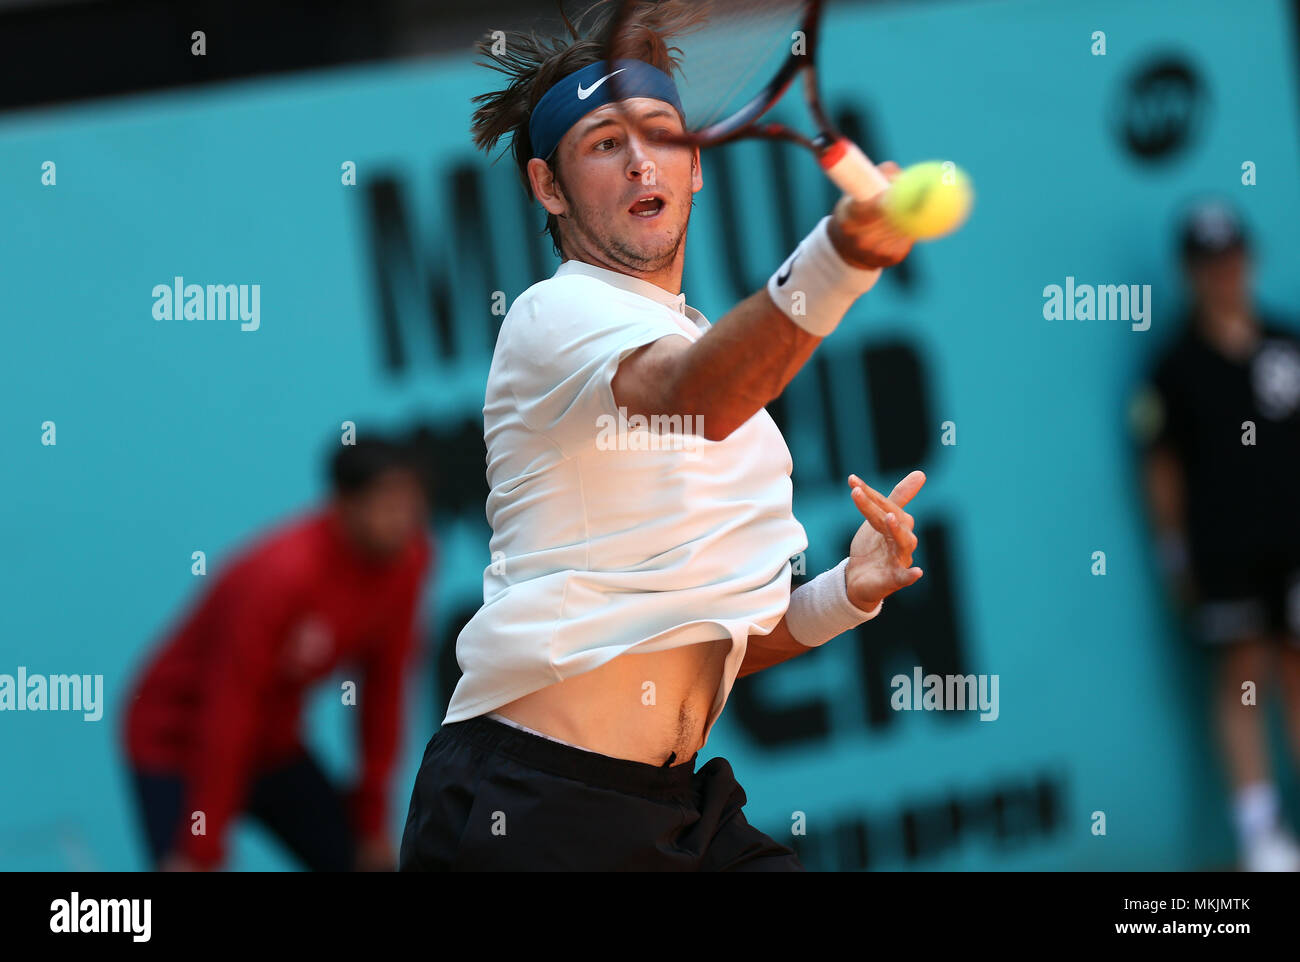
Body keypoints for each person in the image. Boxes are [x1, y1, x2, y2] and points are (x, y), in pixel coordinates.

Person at [400, 1, 925, 872]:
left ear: (695, 168)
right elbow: (695, 399)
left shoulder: (728, 377)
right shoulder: (554, 315)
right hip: (529, 810)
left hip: (676, 807)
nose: (642, 159)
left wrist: (848, 591)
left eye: (659, 133)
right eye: (604, 143)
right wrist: (841, 257)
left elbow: (712, 642)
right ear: (548, 187)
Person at [122, 435, 433, 871]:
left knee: (362, 863)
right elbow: (228, 711)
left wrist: (372, 824)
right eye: (388, 504)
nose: (404, 520)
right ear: (343, 505)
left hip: (272, 743)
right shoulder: (281, 577)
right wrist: (201, 850)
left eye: (412, 503)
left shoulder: (409, 560)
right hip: (178, 740)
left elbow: (384, 694)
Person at [1134, 200, 1300, 871]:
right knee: (1240, 675)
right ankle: (1261, 836)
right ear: (1189, 272)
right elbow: (1162, 471)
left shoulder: (1288, 343)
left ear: (1248, 260)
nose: (1222, 273)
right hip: (1223, 554)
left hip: (1295, 549)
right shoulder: (1172, 367)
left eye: (1230, 258)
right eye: (1207, 263)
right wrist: (1175, 557)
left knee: (1294, 668)